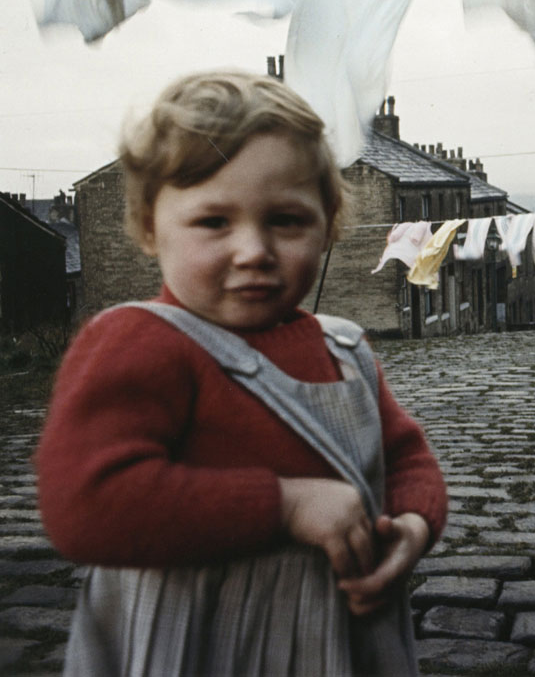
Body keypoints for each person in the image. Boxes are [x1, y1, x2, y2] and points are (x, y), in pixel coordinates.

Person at [36, 71, 448, 675]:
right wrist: (282, 505)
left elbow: (406, 457)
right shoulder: (140, 342)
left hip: (340, 644)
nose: (253, 249)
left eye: (285, 220)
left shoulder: (344, 348)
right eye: (213, 222)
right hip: (196, 647)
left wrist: (413, 524)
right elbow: (84, 505)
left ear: (328, 224)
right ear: (150, 227)